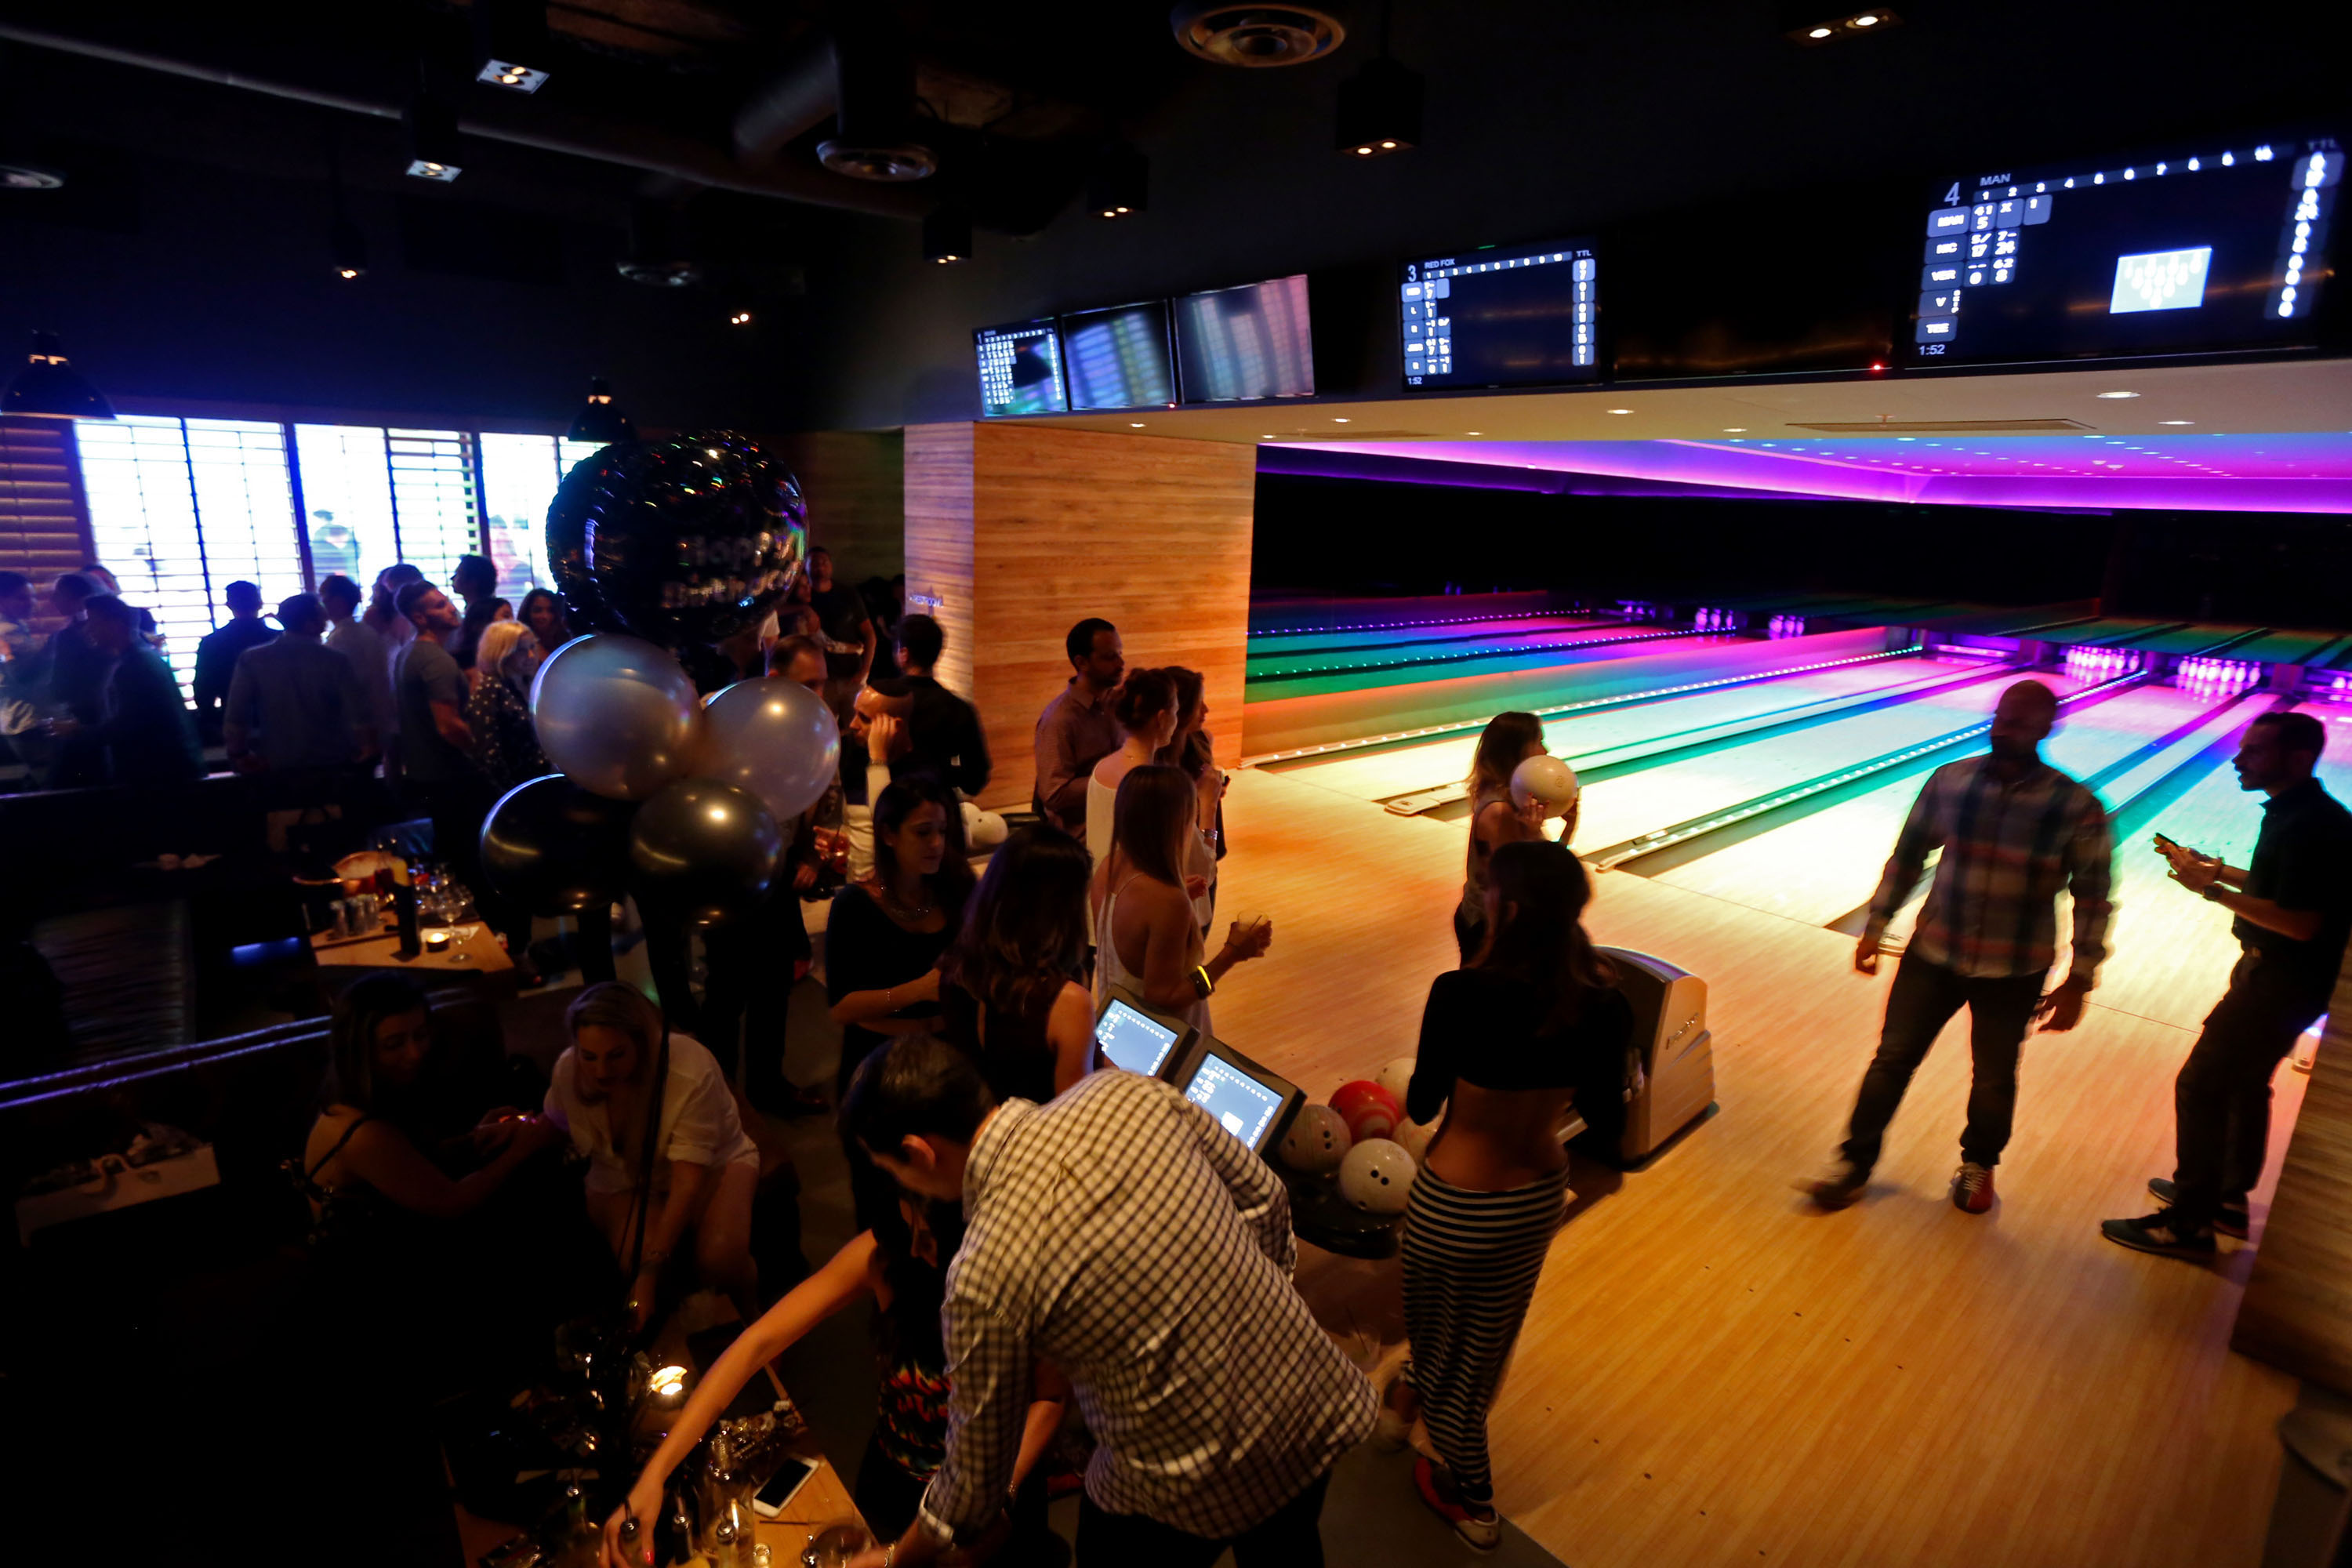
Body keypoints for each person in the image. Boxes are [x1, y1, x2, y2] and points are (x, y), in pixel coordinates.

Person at [838, 1036, 1377, 1568]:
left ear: (918, 1152)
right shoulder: (1126, 1092)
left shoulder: (984, 1269)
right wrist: (1249, 1316)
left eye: (892, 1170)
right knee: (1287, 1545)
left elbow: (976, 1480)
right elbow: (1265, 1198)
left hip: (1183, 1481)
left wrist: (895, 1558)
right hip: (1311, 1402)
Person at [1384, 840, 1633, 1548]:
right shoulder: (1605, 1003)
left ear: (1510, 909)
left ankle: (1475, 1502)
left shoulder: (1460, 993)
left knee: (1448, 1359)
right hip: (1534, 1201)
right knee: (1482, 1346)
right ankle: (1409, 1393)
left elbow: (1423, 1104)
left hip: (1453, 1204)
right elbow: (1609, 1121)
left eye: (1488, 890)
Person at [602, 1194, 1069, 1563]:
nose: (913, 1248)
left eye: (929, 1237)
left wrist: (1000, 1499)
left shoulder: (1027, 1269)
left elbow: (1050, 1398)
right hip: (894, 1488)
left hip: (993, 1495)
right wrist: (655, 1476)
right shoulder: (887, 1255)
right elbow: (756, 1345)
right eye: (907, 1221)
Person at [1805, 680, 2110, 1215]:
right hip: (1934, 953)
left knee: (1993, 1077)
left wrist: (2080, 978)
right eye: (2001, 717)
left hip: (2015, 968)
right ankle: (1853, 1163)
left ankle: (1978, 1165)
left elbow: (2093, 895)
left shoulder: (2076, 805)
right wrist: (1877, 923)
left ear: (2047, 728)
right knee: (1891, 1059)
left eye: (2018, 722)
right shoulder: (1951, 781)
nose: (2003, 729)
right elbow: (1909, 854)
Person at [2103, 711, 2352, 1257]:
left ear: (2298, 758)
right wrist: (2216, 871)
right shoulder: (2302, 813)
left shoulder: (2310, 825)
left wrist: (2210, 891)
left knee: (2202, 1084)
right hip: (2282, 976)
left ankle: (2188, 1226)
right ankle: (2224, 1200)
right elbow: (2280, 888)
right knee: (2244, 1085)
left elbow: (2301, 922)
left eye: (2255, 751)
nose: (2238, 760)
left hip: (2282, 980)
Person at [544, 982, 763, 1330]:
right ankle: (677, 1339)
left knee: (721, 1256)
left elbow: (687, 1181)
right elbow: (554, 1121)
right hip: (619, 1180)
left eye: (616, 1055)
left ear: (643, 1043)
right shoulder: (567, 1071)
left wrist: (649, 1273)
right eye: (589, 1056)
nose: (601, 1071)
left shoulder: (689, 1070)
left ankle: (753, 1318)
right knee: (634, 1257)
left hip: (713, 1163)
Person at [299, 975, 566, 1240]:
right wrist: (523, 1147)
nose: (415, 1053)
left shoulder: (375, 1092)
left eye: (421, 1035)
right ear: (359, 1051)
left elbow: (406, 1161)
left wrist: (474, 1138)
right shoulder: (360, 1132)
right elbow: (452, 1202)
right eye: (394, 1044)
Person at [395, 579, 536, 982]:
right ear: (420, 617)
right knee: (482, 872)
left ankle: (486, 956)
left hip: (432, 778)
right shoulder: (435, 660)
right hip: (454, 780)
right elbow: (450, 726)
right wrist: (485, 759)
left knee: (467, 868)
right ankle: (496, 958)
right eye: (440, 605)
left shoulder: (409, 653)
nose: (451, 607)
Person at [1090, 764, 1271, 1035]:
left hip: (1116, 1024)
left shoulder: (1108, 868)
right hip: (1162, 1041)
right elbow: (1164, 998)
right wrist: (1232, 954)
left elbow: (1132, 937)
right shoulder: (1167, 901)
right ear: (1178, 822)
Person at [827, 775, 975, 1101]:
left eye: (942, 831)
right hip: (881, 1057)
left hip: (950, 1052)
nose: (936, 843)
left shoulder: (956, 889)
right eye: (923, 832)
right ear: (888, 835)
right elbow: (841, 1009)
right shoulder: (854, 905)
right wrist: (919, 990)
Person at [938, 826, 1097, 1103]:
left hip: (981, 1123)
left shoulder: (957, 968)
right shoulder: (1068, 1003)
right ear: (1062, 910)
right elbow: (1075, 1116)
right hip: (1038, 1129)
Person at [49, 595, 201, 786]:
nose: (88, 630)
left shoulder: (134, 666)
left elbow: (127, 726)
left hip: (156, 775)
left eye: (93, 622)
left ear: (116, 624)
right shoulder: (143, 657)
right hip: (168, 769)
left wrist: (78, 731)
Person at [223, 591, 374, 778]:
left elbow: (237, 713)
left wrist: (238, 753)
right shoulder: (335, 661)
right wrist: (367, 746)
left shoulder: (252, 659)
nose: (327, 618)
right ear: (311, 624)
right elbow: (358, 713)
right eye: (322, 615)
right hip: (332, 758)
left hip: (276, 758)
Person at [855, 612, 992, 800]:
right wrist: (942, 773)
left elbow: (859, 758)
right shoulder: (959, 708)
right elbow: (976, 779)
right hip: (937, 805)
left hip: (884, 801)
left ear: (904, 654)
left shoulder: (879, 699)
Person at [1457, 712, 1550, 965]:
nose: (1546, 750)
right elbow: (1523, 882)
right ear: (1517, 751)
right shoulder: (1500, 811)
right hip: (1489, 928)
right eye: (1539, 741)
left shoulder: (1507, 796)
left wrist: (1568, 828)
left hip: (1489, 920)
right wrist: (1533, 833)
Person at [1034, 617, 1124, 838]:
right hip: (1083, 839)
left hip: (1123, 829)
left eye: (1120, 654)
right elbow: (1054, 793)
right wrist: (1117, 776)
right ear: (1082, 663)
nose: (1121, 663)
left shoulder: (1120, 704)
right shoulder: (1059, 719)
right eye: (1110, 657)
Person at [1158, 666, 1229, 933]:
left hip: (1207, 852)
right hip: (1181, 867)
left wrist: (1214, 790)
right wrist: (1207, 802)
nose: (1206, 709)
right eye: (1199, 703)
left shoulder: (1201, 740)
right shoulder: (1157, 761)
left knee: (1201, 935)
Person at [1087, 666, 1178, 866]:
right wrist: (1208, 805)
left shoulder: (1101, 768)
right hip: (1137, 885)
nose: (1176, 721)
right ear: (1162, 718)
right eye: (1176, 712)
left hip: (1100, 881)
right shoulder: (1154, 785)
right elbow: (1197, 863)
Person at [191, 579, 278, 746]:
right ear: (260, 603)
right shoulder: (277, 639)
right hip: (281, 720)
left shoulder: (213, 642)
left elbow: (203, 689)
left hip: (235, 721)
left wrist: (214, 721)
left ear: (229, 605)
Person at [462, 619, 547, 789]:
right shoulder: (490, 688)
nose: (531, 656)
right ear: (500, 652)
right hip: (515, 789)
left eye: (532, 647)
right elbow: (488, 755)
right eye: (521, 650)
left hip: (538, 781)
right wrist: (510, 792)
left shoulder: (529, 683)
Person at [319, 572, 397, 755]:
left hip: (359, 725)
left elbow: (348, 686)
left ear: (337, 602)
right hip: (379, 716)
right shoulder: (365, 631)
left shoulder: (342, 638)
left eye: (324, 599)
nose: (321, 605)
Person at [806, 545, 876, 717]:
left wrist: (864, 671)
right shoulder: (801, 595)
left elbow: (869, 634)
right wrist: (802, 608)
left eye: (824, 562)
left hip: (851, 677)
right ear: (805, 566)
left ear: (831, 566)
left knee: (858, 726)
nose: (820, 567)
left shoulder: (848, 594)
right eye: (814, 563)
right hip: (819, 680)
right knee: (824, 727)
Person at [0, 571, 49, 787]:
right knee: (50, 781)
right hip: (27, 719)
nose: (31, 603)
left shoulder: (15, 627)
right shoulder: (7, 633)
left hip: (19, 717)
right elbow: (26, 674)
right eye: (21, 598)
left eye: (32, 597)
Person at [448, 553, 511, 672]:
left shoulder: (493, 613)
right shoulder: (467, 611)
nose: (452, 578)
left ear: (472, 582)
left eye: (458, 574)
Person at [78, 563, 162, 648]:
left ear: (116, 585)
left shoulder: (142, 615)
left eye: (106, 581)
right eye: (96, 583)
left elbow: (152, 646)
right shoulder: (79, 623)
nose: (103, 586)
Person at [508, 586, 570, 691]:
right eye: (538, 610)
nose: (544, 616)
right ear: (527, 613)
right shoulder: (518, 645)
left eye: (550, 610)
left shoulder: (565, 641)